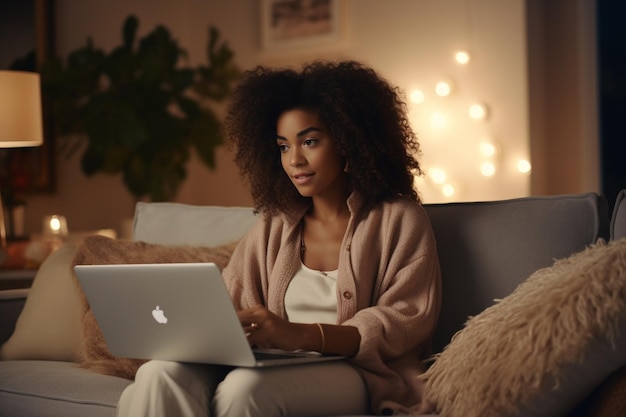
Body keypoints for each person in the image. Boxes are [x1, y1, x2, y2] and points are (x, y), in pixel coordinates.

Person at [116, 60, 442, 417]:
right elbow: (231, 299)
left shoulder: (399, 219)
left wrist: (299, 334)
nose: (295, 160)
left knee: (246, 390)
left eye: (310, 141)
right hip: (272, 365)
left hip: (359, 373)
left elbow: (406, 320)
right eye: (284, 147)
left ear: (349, 142)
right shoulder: (274, 225)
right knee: (157, 374)